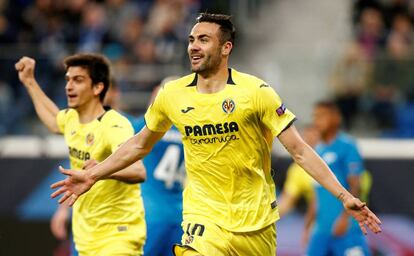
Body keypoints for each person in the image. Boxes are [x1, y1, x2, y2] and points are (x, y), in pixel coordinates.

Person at [50, 13, 382, 256]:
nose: (193, 46)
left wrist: (343, 196)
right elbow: (138, 145)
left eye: (203, 40)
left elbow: (300, 150)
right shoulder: (172, 94)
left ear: (226, 48)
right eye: (191, 40)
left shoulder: (256, 92)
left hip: (256, 223)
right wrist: (93, 174)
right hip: (202, 219)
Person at [15, 53, 147, 256]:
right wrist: (30, 81)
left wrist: (101, 171)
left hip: (118, 234)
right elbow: (52, 119)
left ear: (98, 87)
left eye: (78, 80)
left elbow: (138, 171)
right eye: (68, 80)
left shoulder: (114, 124)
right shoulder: (72, 119)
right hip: (85, 236)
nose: (69, 86)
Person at [305, 101, 372, 256]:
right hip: (321, 230)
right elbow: (317, 194)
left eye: (321, 116)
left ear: (335, 118)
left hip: (345, 229)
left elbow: (356, 185)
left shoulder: (347, 146)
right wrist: (308, 226)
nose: (317, 121)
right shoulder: (317, 151)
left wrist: (345, 219)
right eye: (315, 117)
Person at [277, 125, 319, 217]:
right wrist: (265, 218)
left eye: (315, 139)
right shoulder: (297, 170)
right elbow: (286, 201)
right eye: (307, 140)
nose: (311, 143)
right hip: (323, 223)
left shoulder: (337, 159)